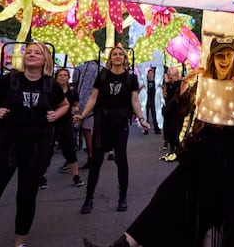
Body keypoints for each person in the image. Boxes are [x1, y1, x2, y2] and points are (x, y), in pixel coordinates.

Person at [82, 36, 234, 247]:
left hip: (227, 160)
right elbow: (176, 110)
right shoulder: (202, 83)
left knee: (215, 211)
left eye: (229, 55)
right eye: (220, 55)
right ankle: (123, 244)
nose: (225, 59)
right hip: (200, 155)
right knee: (166, 195)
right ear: (213, 57)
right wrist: (186, 82)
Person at [0, 42, 68, 247]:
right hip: (6, 147)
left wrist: (56, 114)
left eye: (37, 52)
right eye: (28, 52)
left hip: (36, 149)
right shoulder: (8, 80)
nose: (31, 54)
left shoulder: (50, 85)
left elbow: (64, 104)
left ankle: (19, 242)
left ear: (44, 60)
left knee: (26, 197)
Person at [74, 46, 149, 214]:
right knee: (96, 161)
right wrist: (83, 115)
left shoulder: (131, 78)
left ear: (124, 58)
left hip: (120, 123)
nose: (117, 56)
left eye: (120, 54)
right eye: (114, 54)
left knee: (121, 160)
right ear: (110, 58)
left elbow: (135, 100)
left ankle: (122, 198)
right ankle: (89, 198)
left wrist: (142, 119)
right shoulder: (103, 75)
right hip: (102, 123)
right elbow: (94, 98)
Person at [48, 67, 84, 187]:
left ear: (68, 78)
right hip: (51, 123)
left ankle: (76, 176)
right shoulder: (51, 90)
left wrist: (75, 110)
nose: (62, 77)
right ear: (56, 77)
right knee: (47, 151)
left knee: (69, 150)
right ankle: (41, 178)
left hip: (66, 123)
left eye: (65, 75)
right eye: (60, 75)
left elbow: (76, 105)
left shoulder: (72, 91)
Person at [160, 66, 183, 161]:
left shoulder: (179, 83)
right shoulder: (170, 83)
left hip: (176, 111)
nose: (168, 73)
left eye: (169, 71)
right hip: (169, 110)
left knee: (175, 131)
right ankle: (172, 150)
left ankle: (176, 152)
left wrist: (167, 82)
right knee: (169, 130)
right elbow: (166, 95)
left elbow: (173, 93)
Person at [144, 67, 161, 134]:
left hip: (154, 100)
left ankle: (156, 129)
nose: (150, 74)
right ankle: (146, 129)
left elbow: (160, 88)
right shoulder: (145, 82)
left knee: (154, 115)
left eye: (152, 73)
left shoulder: (155, 82)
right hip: (147, 100)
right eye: (149, 73)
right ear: (147, 74)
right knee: (146, 115)